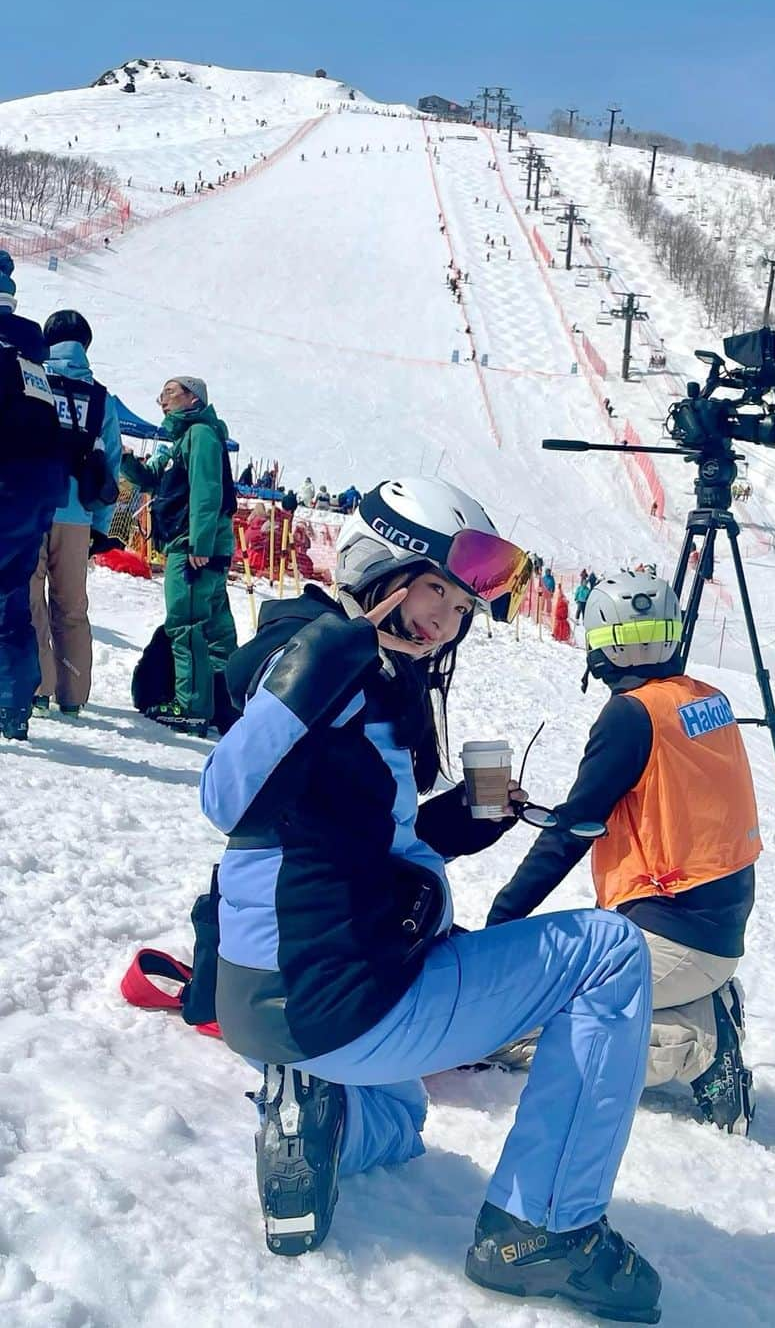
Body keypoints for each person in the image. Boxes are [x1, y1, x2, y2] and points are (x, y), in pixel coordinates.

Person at [198, 478, 662, 1322]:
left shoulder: (377, 683)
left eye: (460, 607)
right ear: (380, 564)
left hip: (270, 1005)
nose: (447, 619)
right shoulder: (313, 654)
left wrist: (465, 818)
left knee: (404, 1123)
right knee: (611, 954)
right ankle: (543, 1230)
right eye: (436, 590)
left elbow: (356, 832)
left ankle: (320, 1110)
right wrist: (330, 658)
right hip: (339, 997)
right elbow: (230, 796)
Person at [486, 574, 759, 1136]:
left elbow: (574, 828)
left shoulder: (632, 715)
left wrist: (503, 917)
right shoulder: (705, 699)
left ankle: (696, 1045)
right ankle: (696, 1004)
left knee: (528, 1019)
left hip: (675, 932)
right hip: (712, 925)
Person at [120, 376, 238, 734]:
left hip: (192, 548)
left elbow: (207, 490)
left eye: (170, 393)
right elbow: (153, 479)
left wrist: (198, 544)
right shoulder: (180, 439)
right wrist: (128, 463)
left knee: (184, 624)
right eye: (161, 395)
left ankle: (191, 706)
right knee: (217, 631)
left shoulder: (200, 434)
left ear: (194, 398)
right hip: (204, 547)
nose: (163, 401)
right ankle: (226, 703)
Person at [27, 311, 122, 719]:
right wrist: (99, 528)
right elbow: (111, 466)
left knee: (31, 598)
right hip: (79, 515)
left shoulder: (32, 378)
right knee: (71, 606)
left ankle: (38, 687)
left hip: (32, 506)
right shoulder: (102, 398)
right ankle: (73, 694)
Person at [0, 253, 69, 741]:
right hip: (38, 492)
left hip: (7, 484)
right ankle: (13, 705)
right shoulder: (32, 362)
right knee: (11, 600)